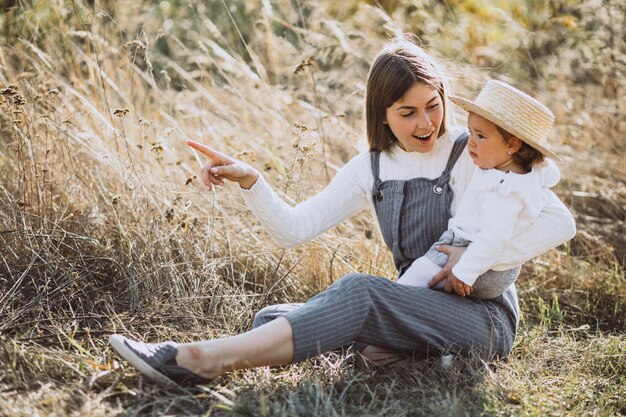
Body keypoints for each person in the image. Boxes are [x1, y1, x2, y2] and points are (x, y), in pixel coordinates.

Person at [108, 36, 576, 386]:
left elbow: (560, 222)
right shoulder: (368, 168)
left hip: (483, 317)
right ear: (382, 113)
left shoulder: (472, 151)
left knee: (358, 294)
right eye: (407, 111)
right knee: (272, 318)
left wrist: (478, 258)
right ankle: (402, 352)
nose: (426, 123)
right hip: (415, 304)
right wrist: (253, 181)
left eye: (433, 106)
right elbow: (294, 230)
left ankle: (198, 360)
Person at [396, 79, 564, 300]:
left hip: (472, 255)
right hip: (491, 263)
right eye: (470, 132)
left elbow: (494, 238)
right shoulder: (527, 174)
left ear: (513, 145)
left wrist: (464, 272)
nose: (470, 142)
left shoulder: (502, 191)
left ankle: (387, 309)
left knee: (413, 280)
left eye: (480, 136)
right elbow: (550, 172)